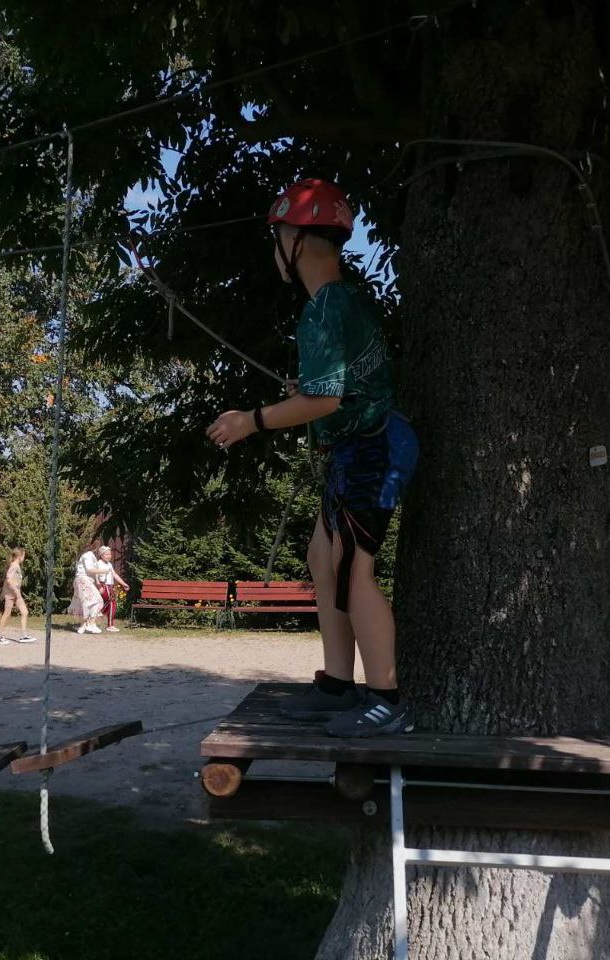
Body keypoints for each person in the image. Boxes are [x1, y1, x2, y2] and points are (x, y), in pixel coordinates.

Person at [206, 178, 419, 738]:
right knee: (322, 558)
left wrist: (250, 420)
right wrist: (308, 395)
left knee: (352, 569)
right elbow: (339, 389)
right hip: (360, 446)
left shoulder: (322, 310)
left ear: (295, 239)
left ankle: (387, 698)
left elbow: (324, 400)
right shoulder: (343, 302)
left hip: (373, 448)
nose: (275, 248)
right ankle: (338, 684)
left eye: (277, 235)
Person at [0, 547, 36, 645]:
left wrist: (17, 592)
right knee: (7, 614)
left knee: (25, 612)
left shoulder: (16, 566)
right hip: (11, 594)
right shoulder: (14, 566)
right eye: (24, 556)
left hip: (17, 594)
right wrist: (14, 590)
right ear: (19, 556)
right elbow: (8, 579)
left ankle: (23, 636)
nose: (24, 558)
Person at [68, 541, 104, 634]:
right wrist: (104, 570)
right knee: (97, 600)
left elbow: (93, 572)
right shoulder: (88, 555)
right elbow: (90, 570)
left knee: (83, 603)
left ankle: (83, 625)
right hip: (83, 580)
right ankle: (90, 624)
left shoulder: (88, 555)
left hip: (82, 580)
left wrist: (98, 584)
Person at [92, 544, 130, 632]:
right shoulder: (98, 563)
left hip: (110, 586)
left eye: (110, 554)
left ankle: (104, 620)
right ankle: (103, 619)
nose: (109, 556)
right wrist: (99, 586)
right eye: (106, 554)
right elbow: (96, 576)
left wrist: (123, 584)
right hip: (103, 585)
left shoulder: (109, 564)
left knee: (111, 604)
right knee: (112, 602)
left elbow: (114, 575)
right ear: (101, 555)